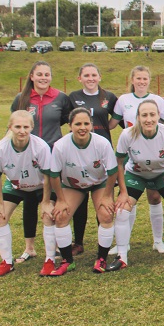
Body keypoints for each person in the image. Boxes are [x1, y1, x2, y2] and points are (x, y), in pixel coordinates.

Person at [108, 99, 164, 271]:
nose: (148, 119)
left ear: (159, 116)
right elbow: (118, 163)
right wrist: (123, 192)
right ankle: (121, 256)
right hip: (136, 174)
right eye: (144, 115)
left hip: (162, 174)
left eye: (152, 115)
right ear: (138, 117)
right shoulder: (127, 134)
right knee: (121, 210)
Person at [10, 61, 73, 264]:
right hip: (28, 156)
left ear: (51, 77)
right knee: (29, 199)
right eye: (39, 74)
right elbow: (15, 123)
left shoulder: (61, 98)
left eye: (47, 74)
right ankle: (29, 247)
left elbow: (66, 120)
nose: (43, 78)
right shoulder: (21, 98)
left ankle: (55, 245)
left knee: (52, 199)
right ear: (32, 76)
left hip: (53, 154)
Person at [111, 66, 164, 254]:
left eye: (145, 78)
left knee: (154, 197)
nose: (141, 81)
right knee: (128, 199)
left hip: (154, 155)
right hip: (133, 156)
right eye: (138, 78)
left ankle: (158, 241)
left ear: (149, 80)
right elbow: (112, 124)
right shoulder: (123, 100)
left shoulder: (158, 100)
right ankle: (124, 242)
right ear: (132, 80)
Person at [48, 108, 118, 275]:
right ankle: (67, 261)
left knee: (106, 214)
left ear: (91, 126)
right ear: (70, 126)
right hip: (73, 185)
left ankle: (101, 258)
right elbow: (54, 175)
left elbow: (112, 171)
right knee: (61, 216)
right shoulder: (60, 146)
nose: (82, 127)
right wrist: (60, 200)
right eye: (78, 124)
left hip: (98, 183)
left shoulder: (101, 143)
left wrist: (107, 196)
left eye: (86, 123)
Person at [0, 111, 54, 277]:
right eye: (17, 126)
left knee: (48, 215)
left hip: (40, 185)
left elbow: (48, 177)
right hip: (16, 185)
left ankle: (50, 260)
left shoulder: (41, 147)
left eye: (26, 127)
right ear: (10, 127)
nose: (22, 131)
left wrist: (46, 201)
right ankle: (7, 262)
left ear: (32, 127)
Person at [67, 63, 118, 256]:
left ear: (100, 77)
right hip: (79, 153)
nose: (90, 78)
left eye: (94, 75)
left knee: (103, 200)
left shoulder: (109, 97)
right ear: (79, 78)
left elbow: (120, 119)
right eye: (86, 75)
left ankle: (103, 243)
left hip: (102, 152)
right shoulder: (73, 97)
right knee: (80, 199)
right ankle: (78, 242)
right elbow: (65, 120)